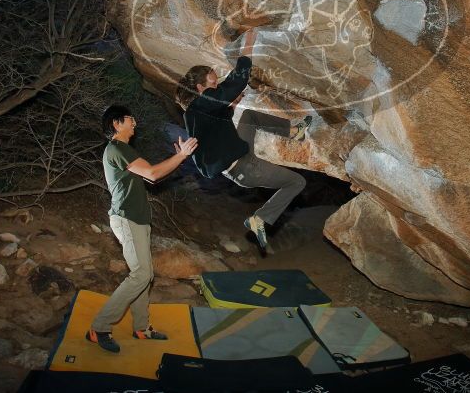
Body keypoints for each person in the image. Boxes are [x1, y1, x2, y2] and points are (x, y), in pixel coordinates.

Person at [175, 30, 310, 251]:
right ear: (200, 89)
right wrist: (248, 46)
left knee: (249, 117)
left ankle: (295, 132)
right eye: (212, 82)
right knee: (297, 182)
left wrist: (235, 105)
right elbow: (235, 81)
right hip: (246, 168)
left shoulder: (198, 113)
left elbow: (220, 123)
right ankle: (260, 219)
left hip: (240, 157)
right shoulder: (198, 106)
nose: (217, 86)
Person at [85, 105, 198, 353]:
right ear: (116, 123)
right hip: (126, 219)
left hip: (137, 220)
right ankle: (99, 327)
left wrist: (180, 159)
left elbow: (151, 177)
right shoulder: (117, 148)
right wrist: (182, 156)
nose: (135, 122)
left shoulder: (124, 150)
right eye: (130, 119)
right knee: (141, 275)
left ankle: (141, 327)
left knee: (144, 276)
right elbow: (152, 173)